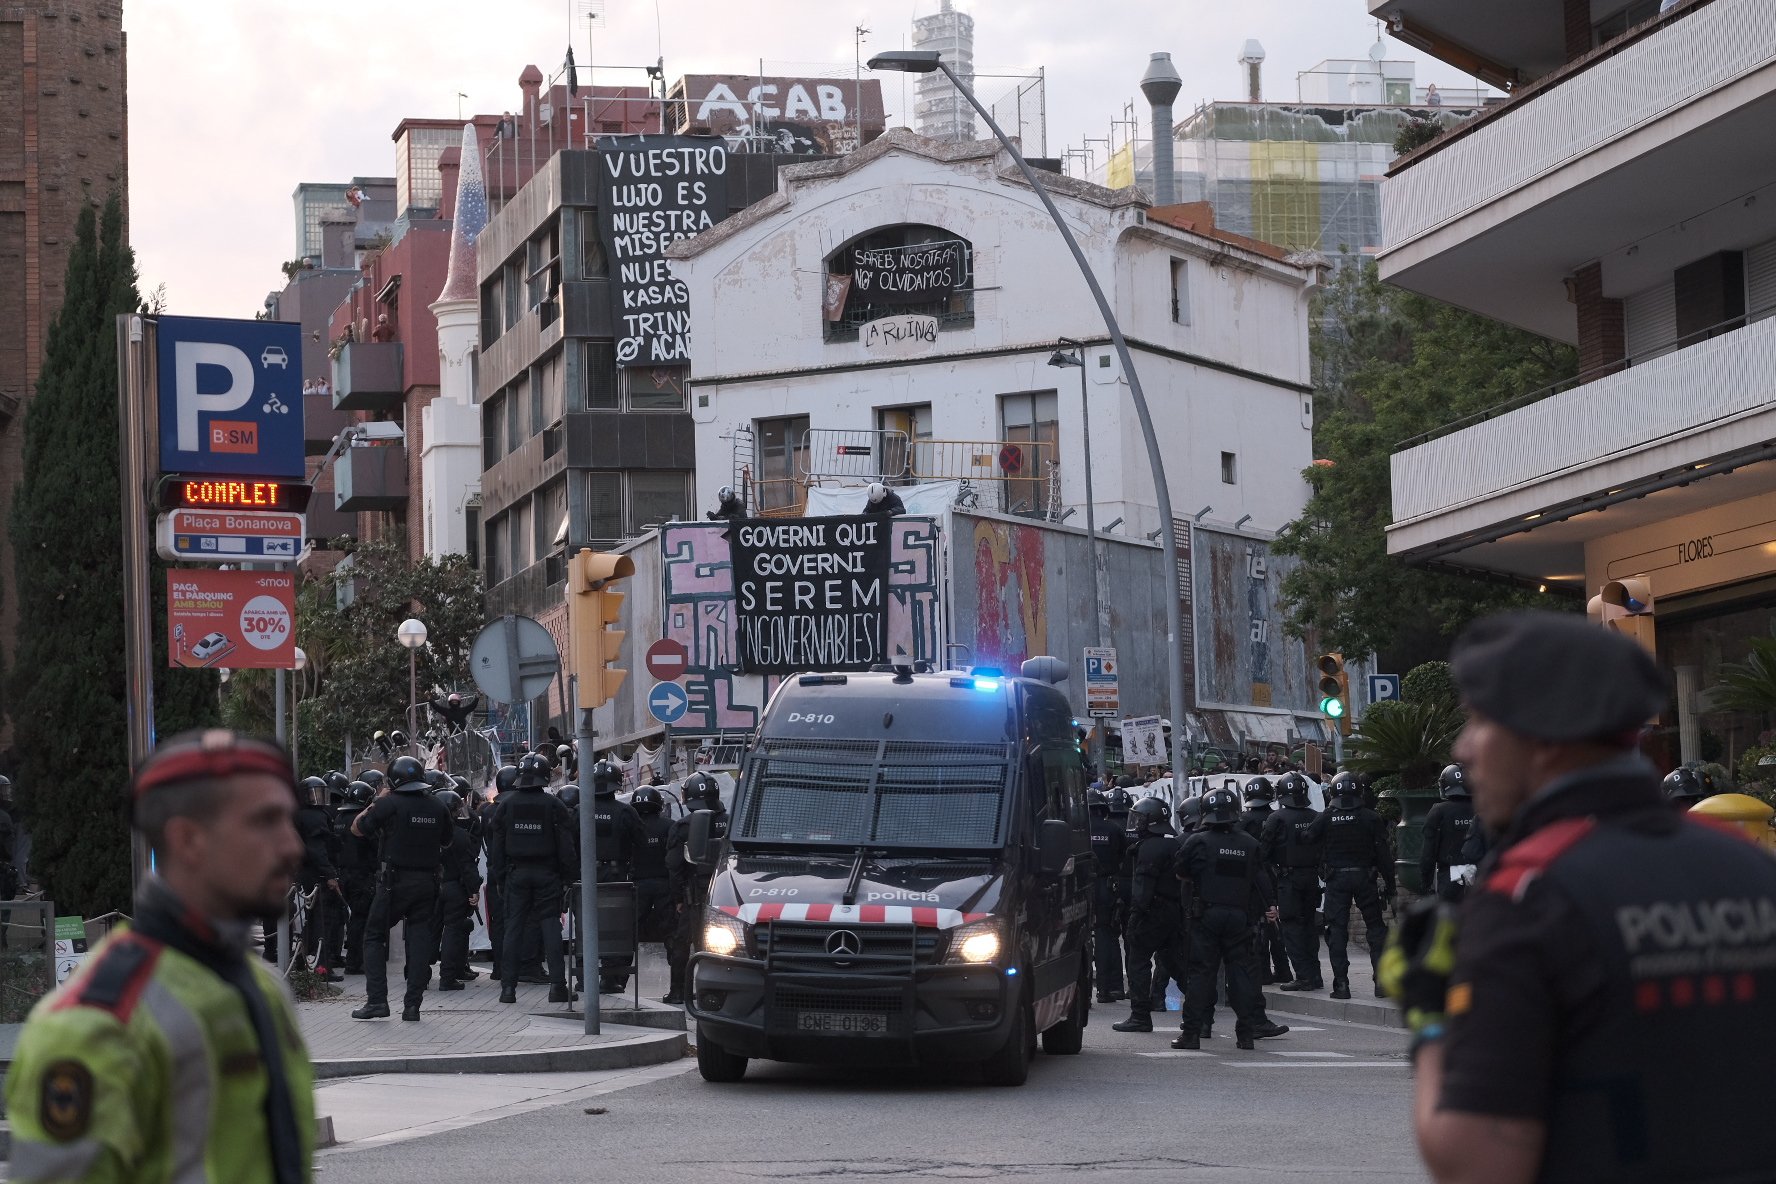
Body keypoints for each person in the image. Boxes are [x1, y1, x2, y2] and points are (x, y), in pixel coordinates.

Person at [1386, 610, 1776, 1184]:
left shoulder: (1530, 894)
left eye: (1478, 721)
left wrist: (1430, 1021)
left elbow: (1476, 1159)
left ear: (1541, 737)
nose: (1462, 749)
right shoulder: (1749, 864)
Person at [4, 728, 316, 1182]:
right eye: (265, 821)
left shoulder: (264, 984)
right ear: (188, 839)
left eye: (289, 821)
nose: (292, 847)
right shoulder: (95, 1026)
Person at [1172, 786, 1287, 1050]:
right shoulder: (1249, 843)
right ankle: (1245, 1034)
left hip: (1206, 916)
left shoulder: (1197, 842)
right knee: (1242, 974)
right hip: (1239, 916)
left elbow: (1180, 873)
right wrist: (1270, 905)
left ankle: (1191, 1033)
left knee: (1201, 974)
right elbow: (1261, 878)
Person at [350, 754, 453, 1021]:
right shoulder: (437, 806)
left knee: (373, 936)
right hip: (427, 883)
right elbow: (447, 841)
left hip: (394, 883)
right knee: (419, 940)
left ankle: (377, 1002)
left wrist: (377, 800)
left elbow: (357, 829)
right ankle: (412, 1006)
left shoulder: (389, 804)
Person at [487, 753, 576, 1005]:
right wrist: (568, 878)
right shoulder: (554, 805)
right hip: (547, 874)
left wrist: (501, 878)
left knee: (513, 929)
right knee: (550, 928)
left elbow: (498, 847)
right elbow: (566, 847)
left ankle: (508, 989)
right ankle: (558, 987)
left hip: (517, 874)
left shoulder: (505, 805)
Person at [1307, 771, 1394, 999]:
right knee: (1375, 929)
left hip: (1336, 879)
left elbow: (1307, 838)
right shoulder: (1370, 817)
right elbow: (1384, 855)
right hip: (1365, 878)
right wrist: (1392, 887)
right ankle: (1381, 983)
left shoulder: (1326, 817)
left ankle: (1342, 985)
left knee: (1336, 931)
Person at [1110, 797, 1185, 1034]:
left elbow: (1143, 888)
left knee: (1138, 962)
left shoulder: (1148, 849)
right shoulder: (1175, 845)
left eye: (1140, 819)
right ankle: (1202, 1013)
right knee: (1177, 965)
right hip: (1175, 912)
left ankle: (1140, 1016)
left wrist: (1135, 916)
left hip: (1151, 913)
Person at [666, 771, 727, 1004]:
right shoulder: (732, 821)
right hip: (726, 894)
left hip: (694, 894)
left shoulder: (682, 826)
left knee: (684, 942)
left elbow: (673, 866)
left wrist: (678, 898)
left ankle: (679, 992)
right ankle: (715, 993)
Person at [1260, 772, 1325, 992]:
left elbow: (1263, 853)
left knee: (1291, 928)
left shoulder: (1276, 818)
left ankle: (1303, 976)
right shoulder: (1316, 816)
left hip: (1289, 880)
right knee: (1309, 926)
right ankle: (1315, 975)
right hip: (1312, 878)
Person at [591, 759, 648, 993]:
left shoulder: (581, 810)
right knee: (619, 927)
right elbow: (642, 842)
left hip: (589, 876)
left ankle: (585, 976)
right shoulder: (626, 812)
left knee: (588, 924)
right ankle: (613, 979)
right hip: (617, 876)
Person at [1238, 778, 1291, 985]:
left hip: (1252, 879)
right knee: (1275, 925)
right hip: (1278, 875)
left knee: (1258, 925)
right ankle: (1284, 970)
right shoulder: (1277, 817)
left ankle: (1263, 972)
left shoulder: (1243, 821)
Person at [431, 788, 483, 991]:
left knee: (427, 930)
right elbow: (468, 867)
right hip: (454, 888)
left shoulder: (426, 833)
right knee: (453, 931)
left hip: (430, 887)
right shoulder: (460, 835)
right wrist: (474, 890)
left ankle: (420, 973)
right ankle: (448, 977)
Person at [331, 779, 377, 974]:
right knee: (360, 919)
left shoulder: (339, 819)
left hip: (342, 874)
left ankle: (339, 957)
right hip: (360, 876)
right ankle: (354, 962)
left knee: (343, 918)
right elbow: (374, 845)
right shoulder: (360, 820)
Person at [1088, 788, 1128, 1003]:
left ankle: (1085, 991)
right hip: (1107, 887)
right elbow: (1122, 857)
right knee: (1107, 935)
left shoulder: (1078, 830)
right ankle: (1109, 988)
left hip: (1082, 887)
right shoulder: (1113, 829)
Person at [1419, 765, 1477, 901]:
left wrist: (1425, 884)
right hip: (1479, 875)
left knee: (1449, 919)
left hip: (1450, 876)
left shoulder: (1438, 811)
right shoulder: (1482, 809)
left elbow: (1428, 854)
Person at [630, 786, 674, 960]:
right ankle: (674, 958)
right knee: (669, 925)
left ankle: (621, 965)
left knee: (632, 924)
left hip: (638, 884)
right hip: (665, 883)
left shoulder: (631, 825)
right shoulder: (669, 825)